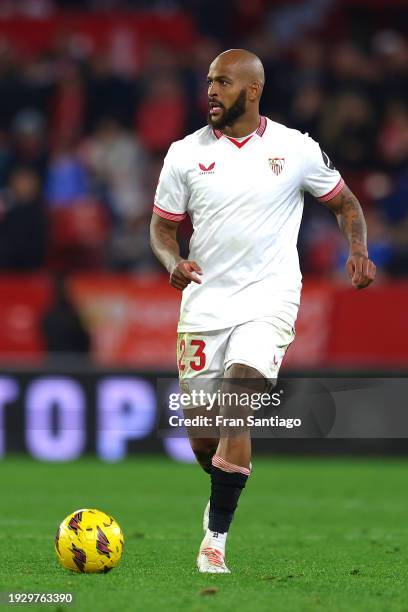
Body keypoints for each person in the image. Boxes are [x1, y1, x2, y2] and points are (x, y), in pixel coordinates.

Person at [150, 49, 376, 574]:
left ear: (252, 91)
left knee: (238, 401)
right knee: (206, 438)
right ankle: (222, 487)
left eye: (223, 82)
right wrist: (173, 260)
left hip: (269, 298)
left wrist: (357, 249)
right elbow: (162, 227)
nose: (211, 90)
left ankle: (215, 541)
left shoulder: (295, 149)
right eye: (208, 80)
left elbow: (345, 204)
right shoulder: (184, 154)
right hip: (205, 302)